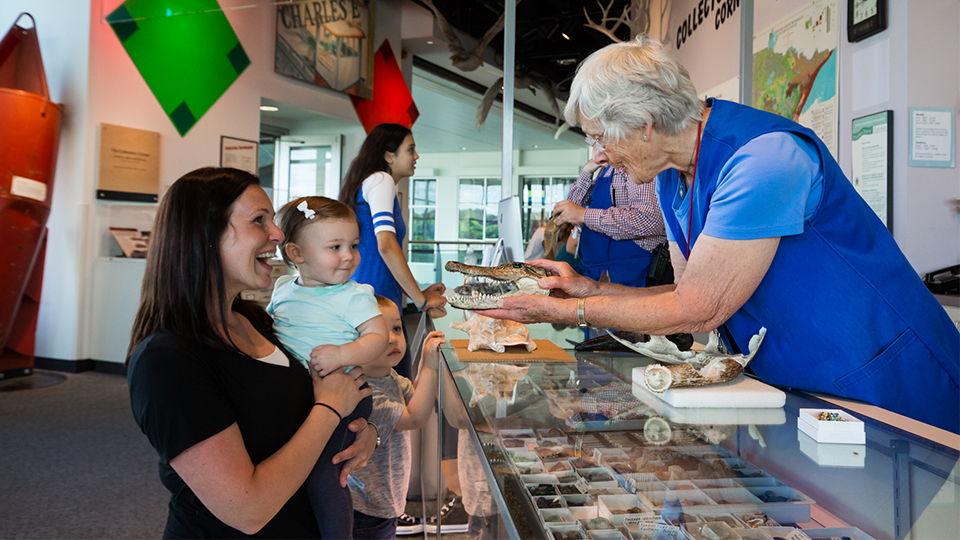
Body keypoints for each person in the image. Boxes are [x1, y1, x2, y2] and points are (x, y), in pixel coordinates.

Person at [480, 36, 960, 435]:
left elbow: (701, 309)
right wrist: (589, 288)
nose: (600, 156)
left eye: (601, 137)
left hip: (883, 379)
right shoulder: (669, 177)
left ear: (644, 124)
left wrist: (567, 309)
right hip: (810, 388)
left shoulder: (764, 160)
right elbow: (689, 295)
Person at [126, 167, 378, 538]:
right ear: (206, 236)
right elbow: (247, 509)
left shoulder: (258, 320)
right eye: (260, 220)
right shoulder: (167, 362)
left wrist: (362, 432)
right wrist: (330, 411)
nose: (277, 233)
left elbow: (296, 412)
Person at [267, 195, 387, 540]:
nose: (348, 256)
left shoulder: (354, 295)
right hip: (307, 395)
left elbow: (377, 339)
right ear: (296, 254)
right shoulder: (282, 288)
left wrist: (342, 354)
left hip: (347, 393)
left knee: (326, 473)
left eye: (353, 245)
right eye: (335, 247)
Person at [339, 123, 446, 379]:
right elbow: (386, 244)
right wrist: (420, 301)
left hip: (374, 296)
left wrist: (417, 292)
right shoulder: (381, 179)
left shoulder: (372, 182)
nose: (416, 156)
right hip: (377, 299)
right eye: (411, 150)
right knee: (393, 389)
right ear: (389, 156)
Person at [349, 295, 445, 540]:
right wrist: (431, 367)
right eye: (379, 331)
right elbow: (414, 417)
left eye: (396, 328)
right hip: (366, 507)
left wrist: (425, 359)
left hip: (383, 501)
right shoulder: (364, 390)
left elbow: (414, 397)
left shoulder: (389, 377)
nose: (392, 338)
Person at [551, 156, 670, 287]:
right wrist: (587, 171)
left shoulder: (634, 164)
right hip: (600, 274)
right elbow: (574, 210)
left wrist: (585, 215)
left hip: (633, 274)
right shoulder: (605, 169)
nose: (596, 144)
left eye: (597, 137)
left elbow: (649, 220)